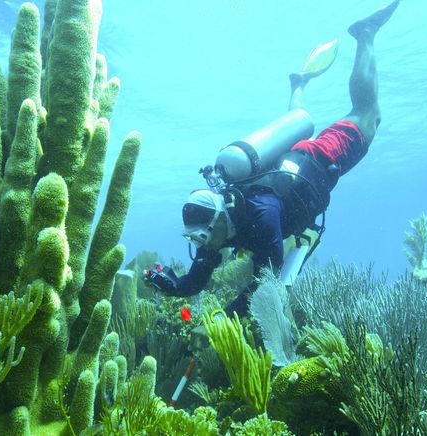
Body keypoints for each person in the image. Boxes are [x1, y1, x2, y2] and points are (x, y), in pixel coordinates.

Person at [143, 1, 401, 316]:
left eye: (202, 236)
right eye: (196, 238)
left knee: (367, 117)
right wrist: (174, 285)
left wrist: (226, 316)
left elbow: (268, 276)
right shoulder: (215, 229)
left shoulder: (260, 214)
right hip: (291, 162)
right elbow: (196, 280)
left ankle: (365, 34)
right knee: (306, 119)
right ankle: (299, 85)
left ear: (219, 218)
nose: (204, 245)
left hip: (319, 158)